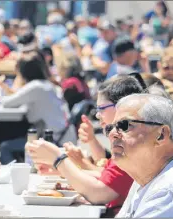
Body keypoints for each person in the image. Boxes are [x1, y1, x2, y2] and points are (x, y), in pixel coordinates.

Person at [27, 75, 144, 217]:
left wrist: (59, 159)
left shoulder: (132, 144)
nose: (98, 115)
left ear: (122, 106)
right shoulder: (127, 138)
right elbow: (103, 176)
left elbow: (99, 193)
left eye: (102, 108)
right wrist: (61, 170)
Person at [107, 94, 173, 217]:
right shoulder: (146, 178)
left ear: (161, 134)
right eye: (110, 128)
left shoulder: (172, 188)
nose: (112, 134)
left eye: (124, 125)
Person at [0, 51, 77, 164]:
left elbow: (6, 102)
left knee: (5, 147)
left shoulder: (36, 87)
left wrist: (18, 79)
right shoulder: (47, 85)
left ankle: (18, 172)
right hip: (64, 137)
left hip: (55, 140)